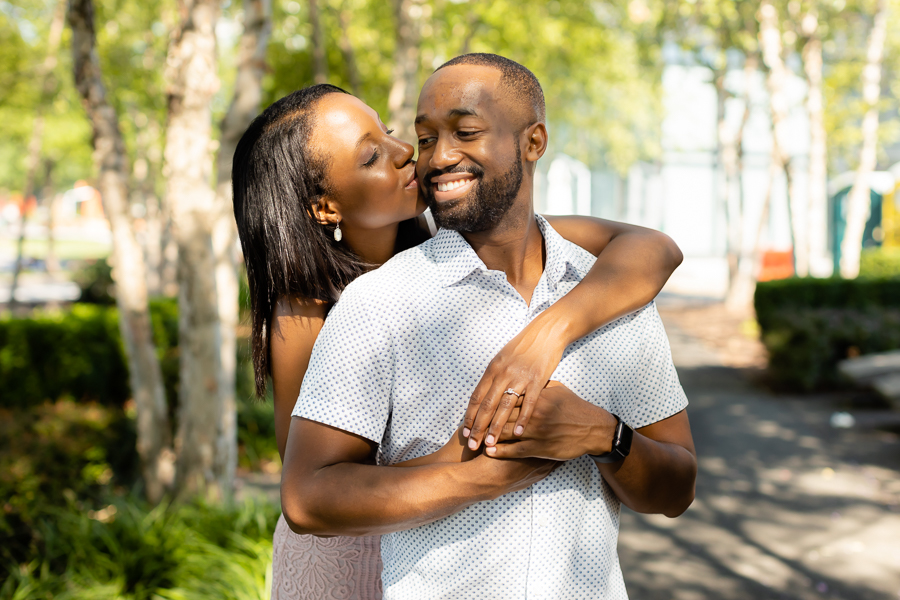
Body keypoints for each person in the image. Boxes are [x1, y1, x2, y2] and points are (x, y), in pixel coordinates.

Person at [233, 73, 683, 599]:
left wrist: (545, 337)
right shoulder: (306, 309)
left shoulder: (462, 240)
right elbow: (318, 481)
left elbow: (652, 248)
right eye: (371, 156)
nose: (407, 153)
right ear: (325, 207)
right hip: (347, 556)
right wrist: (487, 450)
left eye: (393, 133)